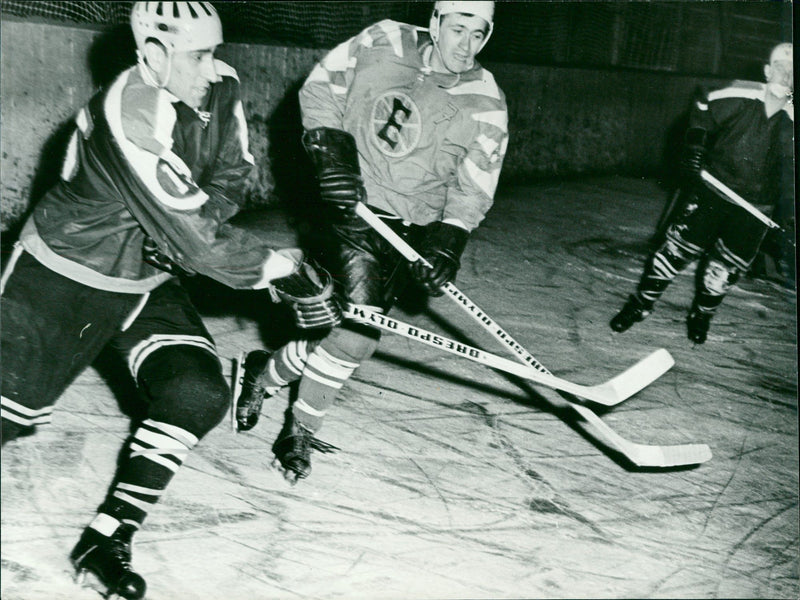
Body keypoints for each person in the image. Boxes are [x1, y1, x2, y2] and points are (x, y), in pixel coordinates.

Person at [0, 2, 339, 599]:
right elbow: (201, 242)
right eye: (199, 56)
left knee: (197, 390)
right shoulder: (128, 112)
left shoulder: (221, 87)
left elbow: (228, 181)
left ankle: (108, 536)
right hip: (61, 275)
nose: (214, 69)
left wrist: (181, 234)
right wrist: (282, 271)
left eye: (216, 51)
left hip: (144, 277)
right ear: (154, 54)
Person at [233, 0, 508, 484]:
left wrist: (448, 240)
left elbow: (476, 183)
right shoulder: (384, 40)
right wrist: (329, 152)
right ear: (435, 22)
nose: (466, 45)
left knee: (337, 331)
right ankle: (298, 430)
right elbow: (321, 88)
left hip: (412, 228)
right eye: (457, 29)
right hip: (351, 210)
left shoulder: (486, 100)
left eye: (479, 34)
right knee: (360, 333)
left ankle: (265, 371)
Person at [610, 42, 794, 344]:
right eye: (779, 66)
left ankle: (701, 315)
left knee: (724, 270)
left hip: (757, 208)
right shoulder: (740, 93)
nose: (785, 73)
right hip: (713, 190)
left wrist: (788, 214)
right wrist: (695, 146)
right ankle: (639, 305)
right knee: (674, 252)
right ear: (767, 70)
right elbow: (702, 104)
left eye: (791, 69)